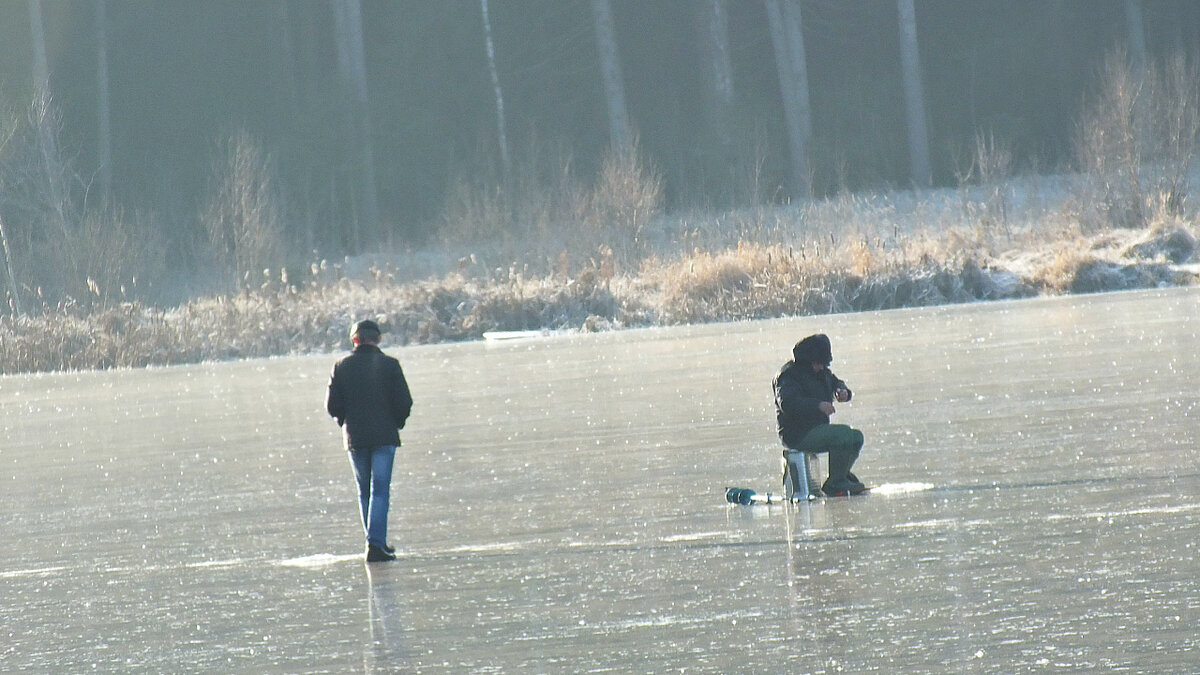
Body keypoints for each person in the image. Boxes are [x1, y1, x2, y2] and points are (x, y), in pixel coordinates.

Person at [326, 319, 413, 562]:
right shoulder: (390, 365)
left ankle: (375, 543)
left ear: (355, 340)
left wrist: (345, 422)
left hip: (355, 438)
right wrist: (396, 422)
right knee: (380, 491)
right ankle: (376, 545)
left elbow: (332, 406)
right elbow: (405, 402)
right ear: (379, 339)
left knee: (364, 491)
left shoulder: (341, 366)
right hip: (385, 436)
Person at [773, 333, 867, 497]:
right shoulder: (788, 375)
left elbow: (836, 382)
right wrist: (817, 405)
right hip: (797, 434)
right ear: (808, 360)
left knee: (856, 437)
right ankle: (835, 484)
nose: (822, 367)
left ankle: (841, 474)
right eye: (819, 363)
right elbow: (788, 403)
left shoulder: (821, 372)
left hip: (817, 429)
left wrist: (843, 392)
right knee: (843, 434)